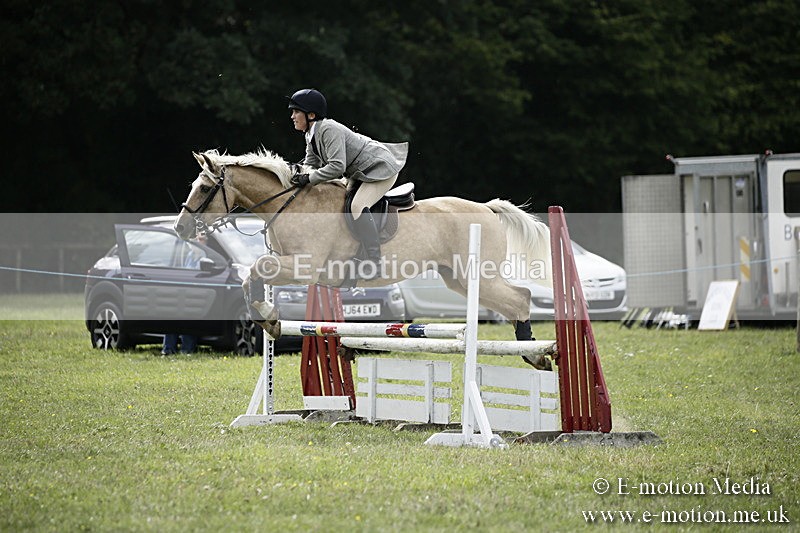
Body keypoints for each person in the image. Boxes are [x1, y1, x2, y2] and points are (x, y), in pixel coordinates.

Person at [287, 88, 408, 279]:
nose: (292, 116)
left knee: (357, 206)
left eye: (295, 112)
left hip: (380, 169)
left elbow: (336, 166)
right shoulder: (311, 134)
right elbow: (310, 164)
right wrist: (292, 174)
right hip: (361, 172)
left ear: (310, 115)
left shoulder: (328, 129)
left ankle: (375, 263)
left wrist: (308, 179)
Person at [161, 234, 207, 355]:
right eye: (196, 239)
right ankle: (168, 349)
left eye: (201, 239)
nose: (198, 241)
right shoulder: (190, 255)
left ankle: (187, 349)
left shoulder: (205, 258)